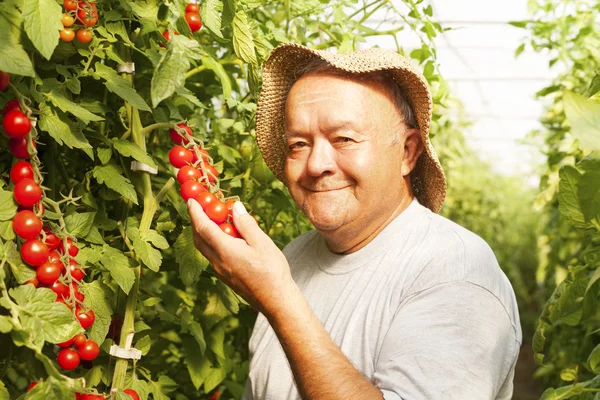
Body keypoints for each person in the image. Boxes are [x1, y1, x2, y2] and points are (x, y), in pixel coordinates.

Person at [187, 43, 522, 400]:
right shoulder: (294, 257)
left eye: (343, 139)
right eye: (298, 144)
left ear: (407, 152)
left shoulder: (456, 272)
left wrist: (278, 298)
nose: (316, 164)